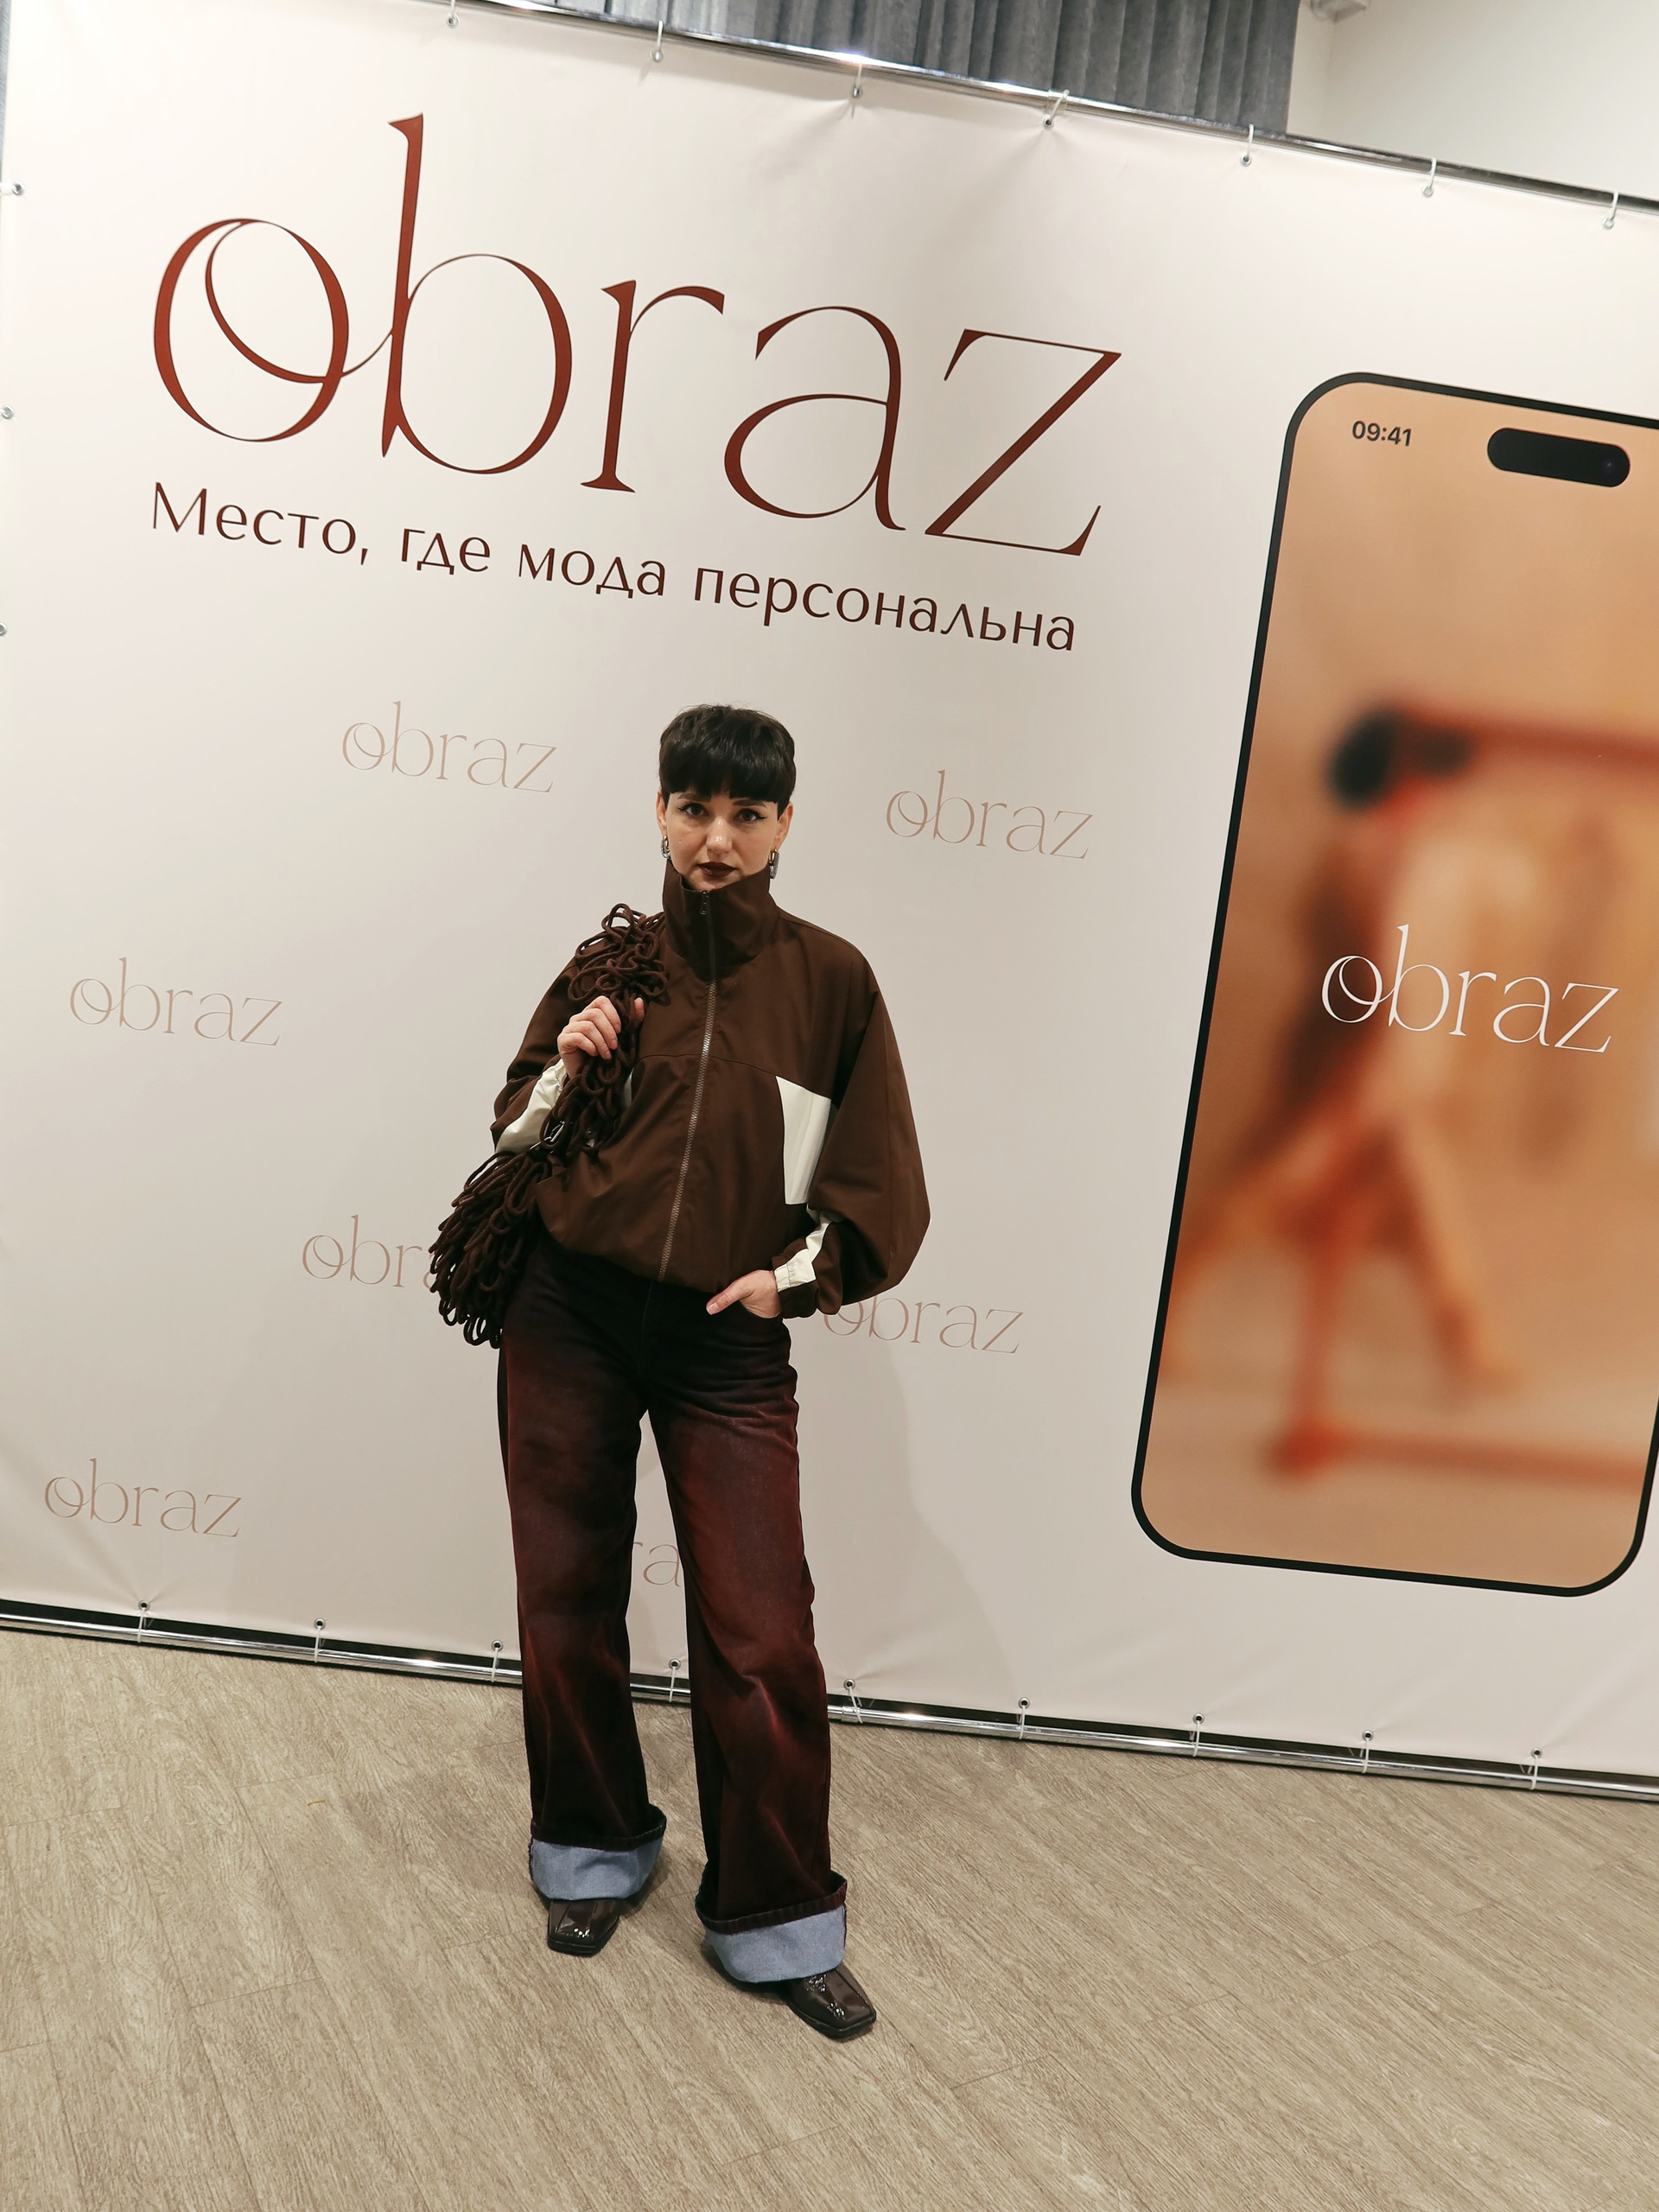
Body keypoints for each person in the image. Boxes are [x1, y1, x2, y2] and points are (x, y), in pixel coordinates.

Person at [491, 703, 928, 2040]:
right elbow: (516, 1134)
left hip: (724, 1340)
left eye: (746, 813)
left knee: (760, 1629)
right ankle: (593, 1846)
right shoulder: (612, 963)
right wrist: (567, 1068)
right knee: (567, 1594)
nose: (717, 838)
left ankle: (776, 1914)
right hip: (569, 1308)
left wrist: (788, 1282)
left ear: (787, 823)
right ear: (661, 811)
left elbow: (877, 1183)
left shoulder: (833, 981)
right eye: (694, 808)